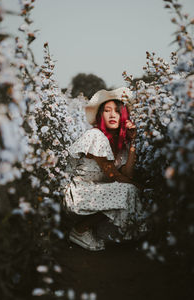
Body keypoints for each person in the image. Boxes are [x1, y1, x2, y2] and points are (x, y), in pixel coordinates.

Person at [64, 87, 147, 251]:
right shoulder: (96, 136)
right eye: (107, 111)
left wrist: (133, 142)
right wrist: (139, 187)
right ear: (100, 116)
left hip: (95, 192)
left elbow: (127, 174)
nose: (112, 115)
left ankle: (91, 230)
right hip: (77, 193)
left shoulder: (119, 144)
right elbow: (113, 175)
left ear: (123, 116)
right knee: (128, 190)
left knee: (128, 189)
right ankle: (80, 230)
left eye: (117, 111)